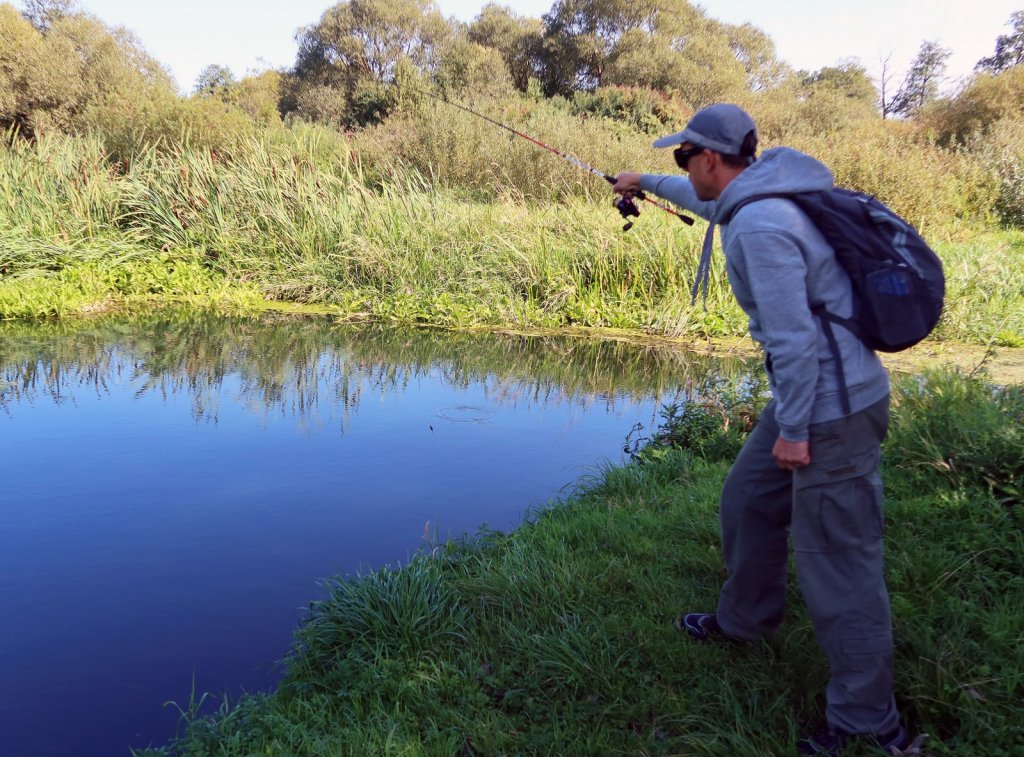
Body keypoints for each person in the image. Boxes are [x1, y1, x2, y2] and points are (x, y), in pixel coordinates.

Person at [612, 104, 910, 756]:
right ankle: (745, 620)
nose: (681, 168)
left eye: (681, 158)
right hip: (816, 395)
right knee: (748, 499)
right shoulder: (761, 193)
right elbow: (708, 202)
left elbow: (795, 342)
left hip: (830, 408)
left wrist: (796, 432)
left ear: (711, 159)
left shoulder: (761, 227)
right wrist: (643, 179)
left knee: (840, 562)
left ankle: (870, 720)